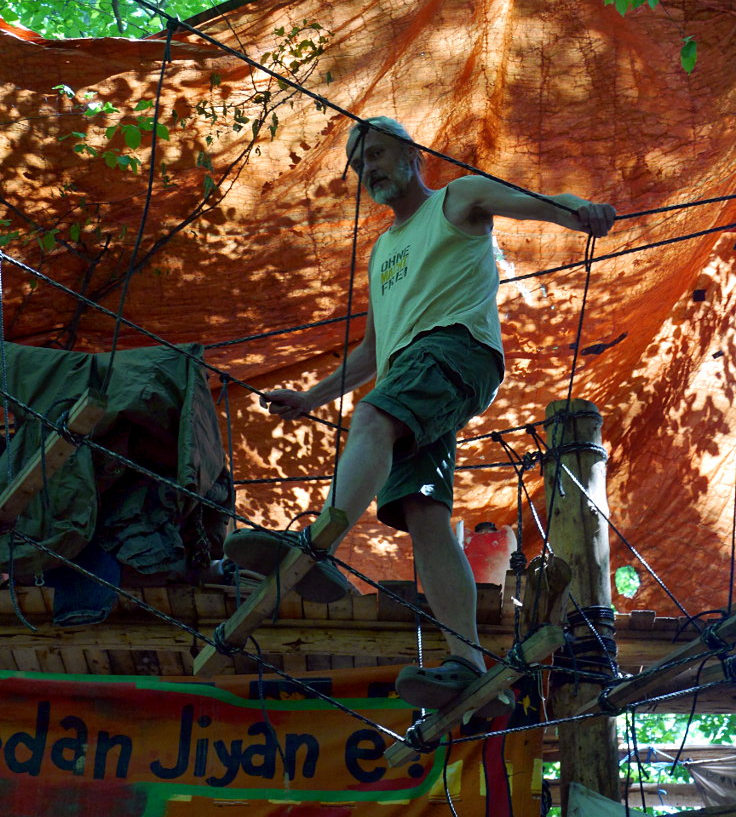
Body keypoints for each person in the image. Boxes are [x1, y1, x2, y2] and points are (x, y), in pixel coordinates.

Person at [225, 116, 616, 710]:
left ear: (412, 153)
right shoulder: (381, 251)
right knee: (424, 516)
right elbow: (372, 353)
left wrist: (580, 212)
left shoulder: (457, 200)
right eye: (360, 165)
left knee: (373, 419)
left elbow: (536, 203)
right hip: (410, 371)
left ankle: (318, 546)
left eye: (378, 154)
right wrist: (309, 399)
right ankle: (466, 662)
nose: (370, 170)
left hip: (456, 349)